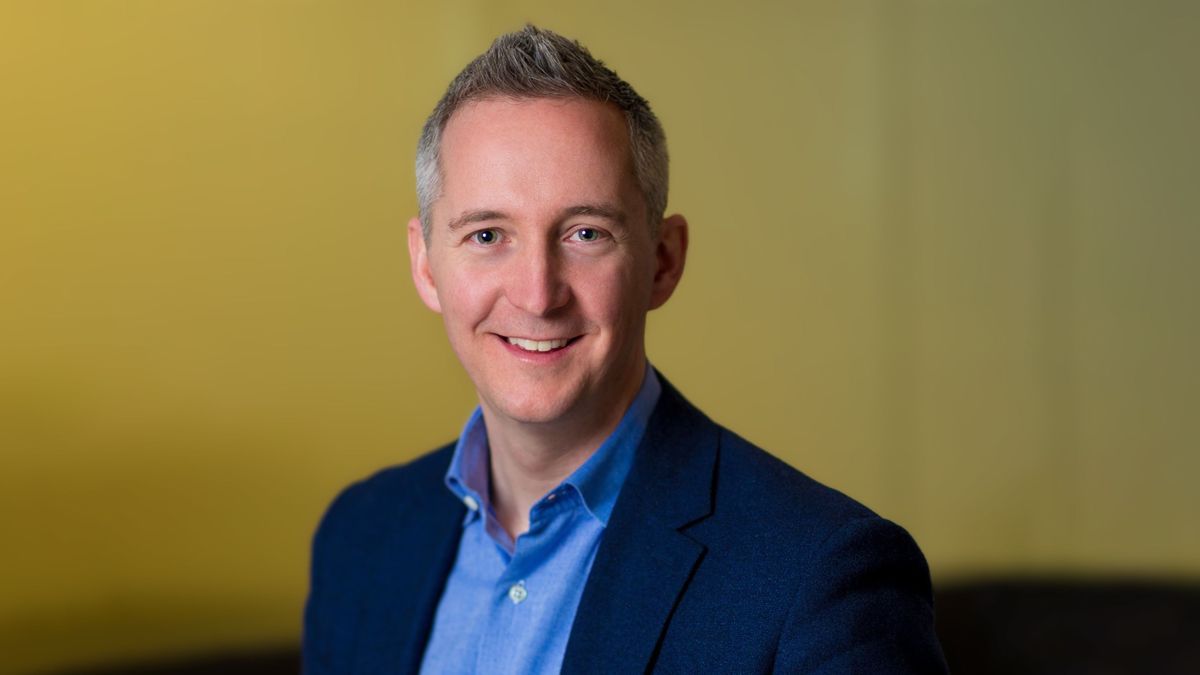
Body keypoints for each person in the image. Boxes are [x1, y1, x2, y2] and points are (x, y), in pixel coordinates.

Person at [303, 25, 947, 674]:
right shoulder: (360, 539)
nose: (537, 293)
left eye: (585, 232)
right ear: (425, 265)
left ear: (663, 261)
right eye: (488, 234)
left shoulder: (821, 578)